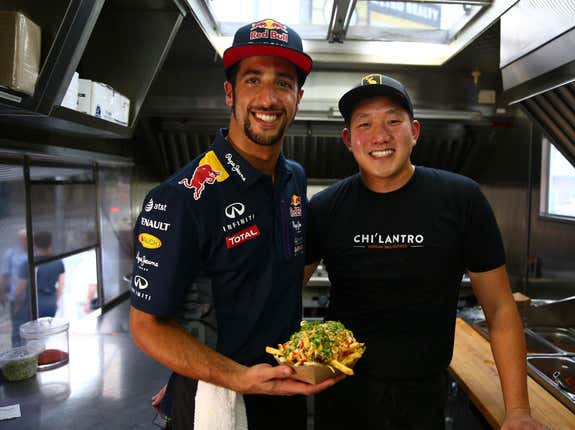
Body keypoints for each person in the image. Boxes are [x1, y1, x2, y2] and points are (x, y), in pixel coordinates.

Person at [129, 18, 342, 430]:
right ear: (229, 93)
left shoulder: (293, 177)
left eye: (283, 83)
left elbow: (285, 267)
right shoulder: (180, 198)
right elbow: (146, 326)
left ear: (298, 97)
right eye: (253, 80)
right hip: (217, 398)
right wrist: (218, 374)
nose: (268, 97)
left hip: (285, 387)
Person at [305, 74, 547, 429]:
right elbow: (283, 291)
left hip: (424, 397)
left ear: (414, 131)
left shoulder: (461, 199)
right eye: (365, 124)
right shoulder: (325, 207)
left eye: (393, 121)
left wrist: (519, 412)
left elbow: (499, 308)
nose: (380, 136)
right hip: (342, 393)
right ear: (348, 139)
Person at [14, 231, 65, 319]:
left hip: (33, 306)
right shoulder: (58, 262)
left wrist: (17, 306)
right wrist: (56, 301)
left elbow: (19, 290)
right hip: (51, 303)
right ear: (51, 243)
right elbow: (61, 285)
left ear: (34, 244)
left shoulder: (28, 264)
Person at [1, 228, 27, 345]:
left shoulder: (36, 252)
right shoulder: (11, 254)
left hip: (33, 298)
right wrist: (1, 293)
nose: (24, 241)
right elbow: (5, 275)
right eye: (22, 239)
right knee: (18, 328)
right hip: (16, 297)